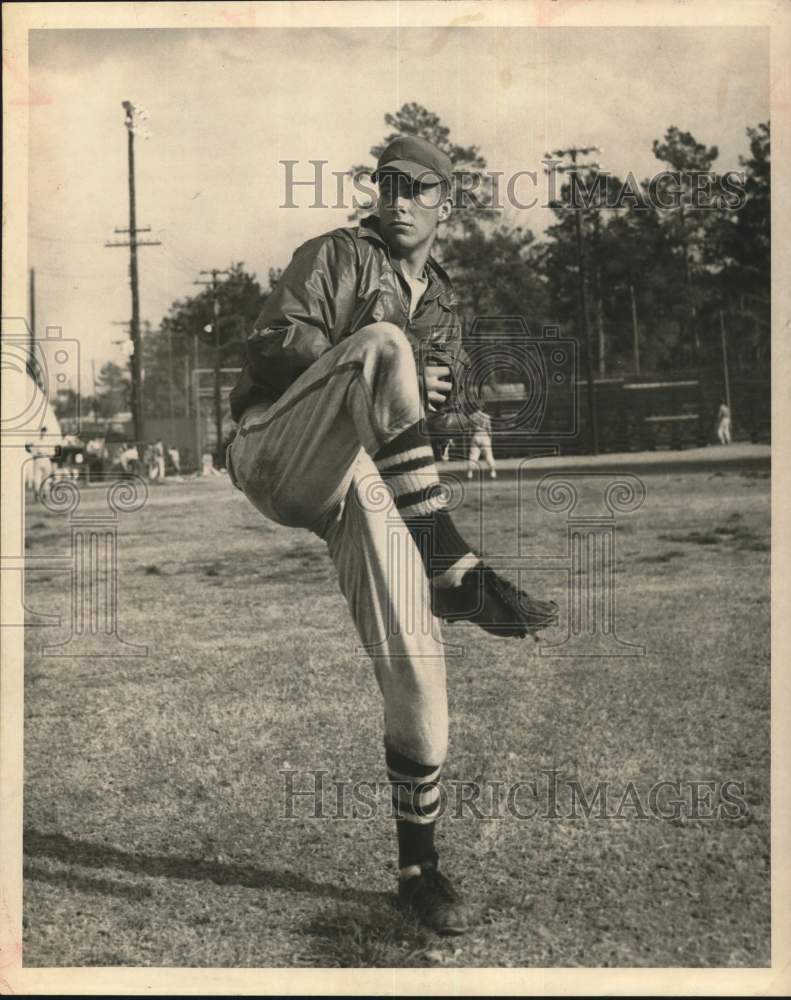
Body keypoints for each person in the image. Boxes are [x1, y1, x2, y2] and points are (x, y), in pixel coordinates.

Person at [227, 136, 557, 935]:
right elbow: (268, 350)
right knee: (381, 344)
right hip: (276, 445)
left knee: (418, 661)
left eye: (416, 187)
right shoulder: (336, 253)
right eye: (386, 183)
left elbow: (421, 420)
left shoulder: (439, 296)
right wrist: (387, 348)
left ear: (446, 200)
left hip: (360, 486)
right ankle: (449, 559)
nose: (398, 197)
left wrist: (439, 400)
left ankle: (419, 868)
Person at [466, 408, 497, 480]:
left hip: (476, 435)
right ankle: (493, 472)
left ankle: (470, 473)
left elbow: (470, 431)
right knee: (488, 455)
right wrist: (490, 438)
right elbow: (489, 429)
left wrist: (471, 438)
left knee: (473, 456)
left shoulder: (471, 417)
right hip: (484, 435)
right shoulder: (486, 417)